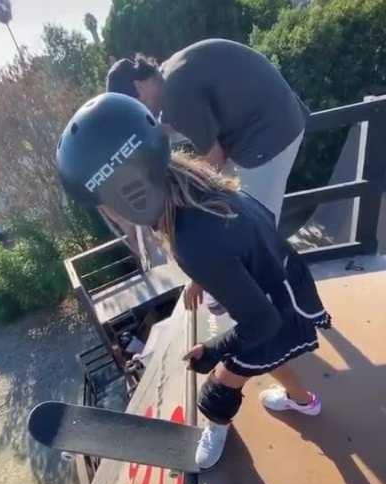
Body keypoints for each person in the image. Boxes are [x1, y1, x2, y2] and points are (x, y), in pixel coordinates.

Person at [57, 93, 331, 470]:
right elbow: (242, 234)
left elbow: (262, 322)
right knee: (262, 357)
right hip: (282, 279)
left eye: (108, 207)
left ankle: (214, 431)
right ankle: (305, 402)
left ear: (128, 195)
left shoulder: (191, 242)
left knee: (220, 384)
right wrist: (205, 278)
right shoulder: (198, 186)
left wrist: (214, 351)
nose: (113, 217)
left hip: (276, 311)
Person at [106, 38, 309, 309]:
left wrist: (198, 259)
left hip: (270, 134)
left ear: (138, 87)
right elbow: (192, 131)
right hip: (268, 124)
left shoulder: (175, 94)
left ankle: (279, 311)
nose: (144, 116)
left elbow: (212, 163)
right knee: (232, 212)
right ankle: (255, 292)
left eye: (137, 108)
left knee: (255, 227)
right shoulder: (171, 75)